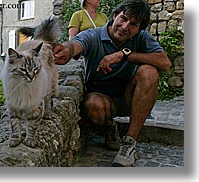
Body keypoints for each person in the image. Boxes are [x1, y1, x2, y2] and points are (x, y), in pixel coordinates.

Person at [53, 0, 170, 167]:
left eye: (133, 24)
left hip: (129, 98)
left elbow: (165, 63)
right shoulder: (93, 35)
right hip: (101, 99)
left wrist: (124, 54)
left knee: (149, 72)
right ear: (115, 16)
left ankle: (129, 143)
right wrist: (65, 50)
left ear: (138, 30)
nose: (125, 26)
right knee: (93, 104)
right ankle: (109, 126)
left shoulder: (141, 38)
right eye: (123, 19)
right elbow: (75, 44)